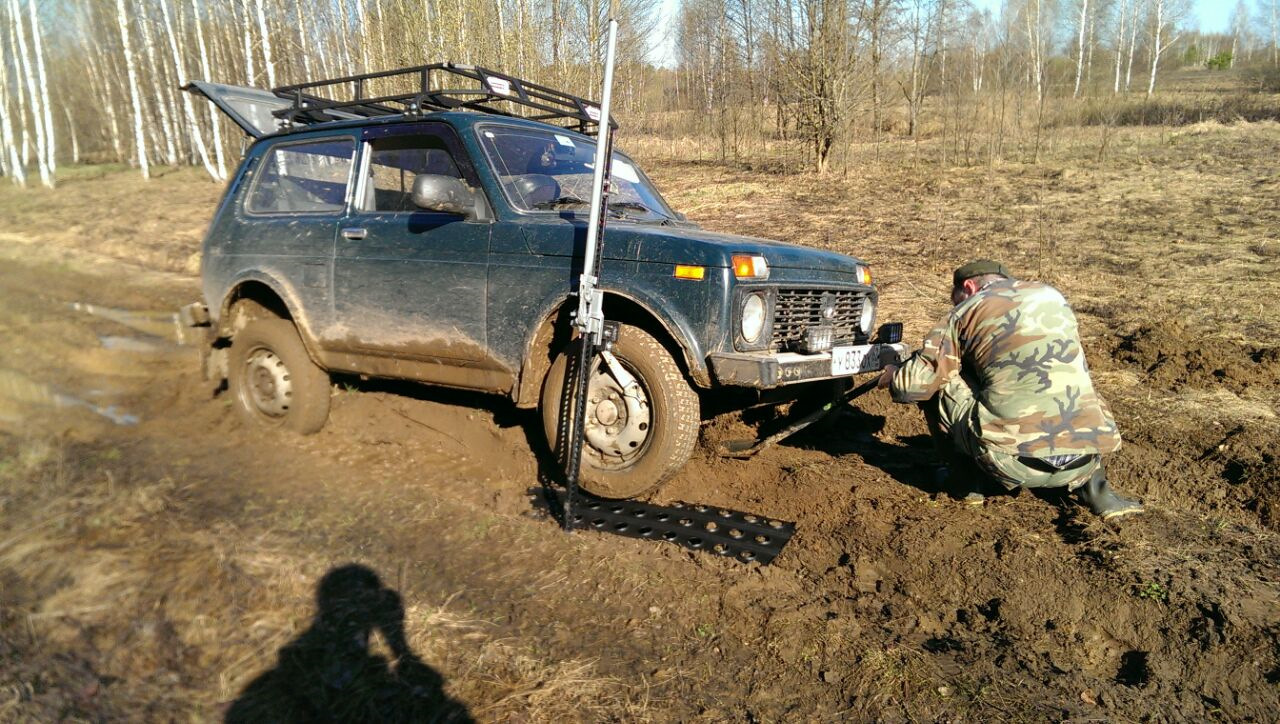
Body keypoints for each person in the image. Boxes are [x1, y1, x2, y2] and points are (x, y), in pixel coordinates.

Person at [877, 260, 1144, 519]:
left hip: (1011, 464)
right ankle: (1099, 493)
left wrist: (896, 373)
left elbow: (912, 387)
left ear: (968, 287)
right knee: (1068, 381)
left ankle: (965, 484)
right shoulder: (1053, 297)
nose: (956, 304)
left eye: (955, 297)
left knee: (939, 382)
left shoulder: (968, 309)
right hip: (1082, 462)